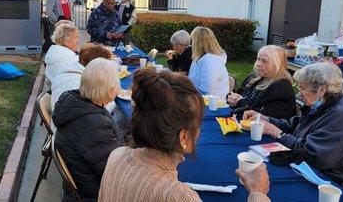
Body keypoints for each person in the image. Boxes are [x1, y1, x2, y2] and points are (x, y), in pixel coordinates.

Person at [99, 68, 270, 202]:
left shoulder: (117, 155)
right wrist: (258, 193)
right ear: (183, 137)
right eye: (198, 125)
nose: (199, 131)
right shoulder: (175, 195)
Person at [243, 62, 343, 193]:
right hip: (307, 167)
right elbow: (295, 126)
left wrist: (279, 134)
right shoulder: (324, 103)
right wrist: (267, 119)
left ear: (322, 89)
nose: (299, 93)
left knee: (263, 184)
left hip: (329, 182)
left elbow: (314, 155)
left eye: (303, 88)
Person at [52, 58, 124, 201]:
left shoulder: (79, 105)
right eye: (117, 84)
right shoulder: (93, 125)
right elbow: (117, 174)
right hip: (97, 192)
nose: (119, 88)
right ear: (110, 90)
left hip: (87, 180)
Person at [227, 45, 296, 119]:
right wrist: (232, 97)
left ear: (277, 65)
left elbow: (267, 118)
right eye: (258, 59)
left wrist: (240, 103)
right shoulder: (255, 77)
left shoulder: (281, 89)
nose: (258, 64)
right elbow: (242, 94)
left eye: (264, 61)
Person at [50, 43, 114, 109]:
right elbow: (102, 111)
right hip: (71, 117)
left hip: (60, 114)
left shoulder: (65, 71)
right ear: (96, 67)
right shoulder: (86, 84)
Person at [188, 26, 230, 97]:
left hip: (213, 104)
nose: (191, 44)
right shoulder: (197, 59)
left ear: (198, 43)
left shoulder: (210, 61)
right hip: (198, 100)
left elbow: (206, 92)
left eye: (192, 41)